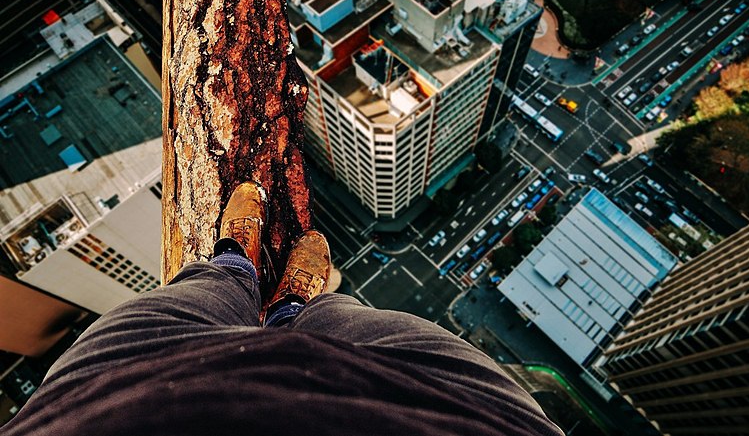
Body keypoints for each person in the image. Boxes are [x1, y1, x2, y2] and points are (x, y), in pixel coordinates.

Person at [2, 182, 564, 436]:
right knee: (351, 323)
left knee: (172, 309)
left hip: (99, 411)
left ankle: (234, 266)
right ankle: (294, 308)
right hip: (466, 418)